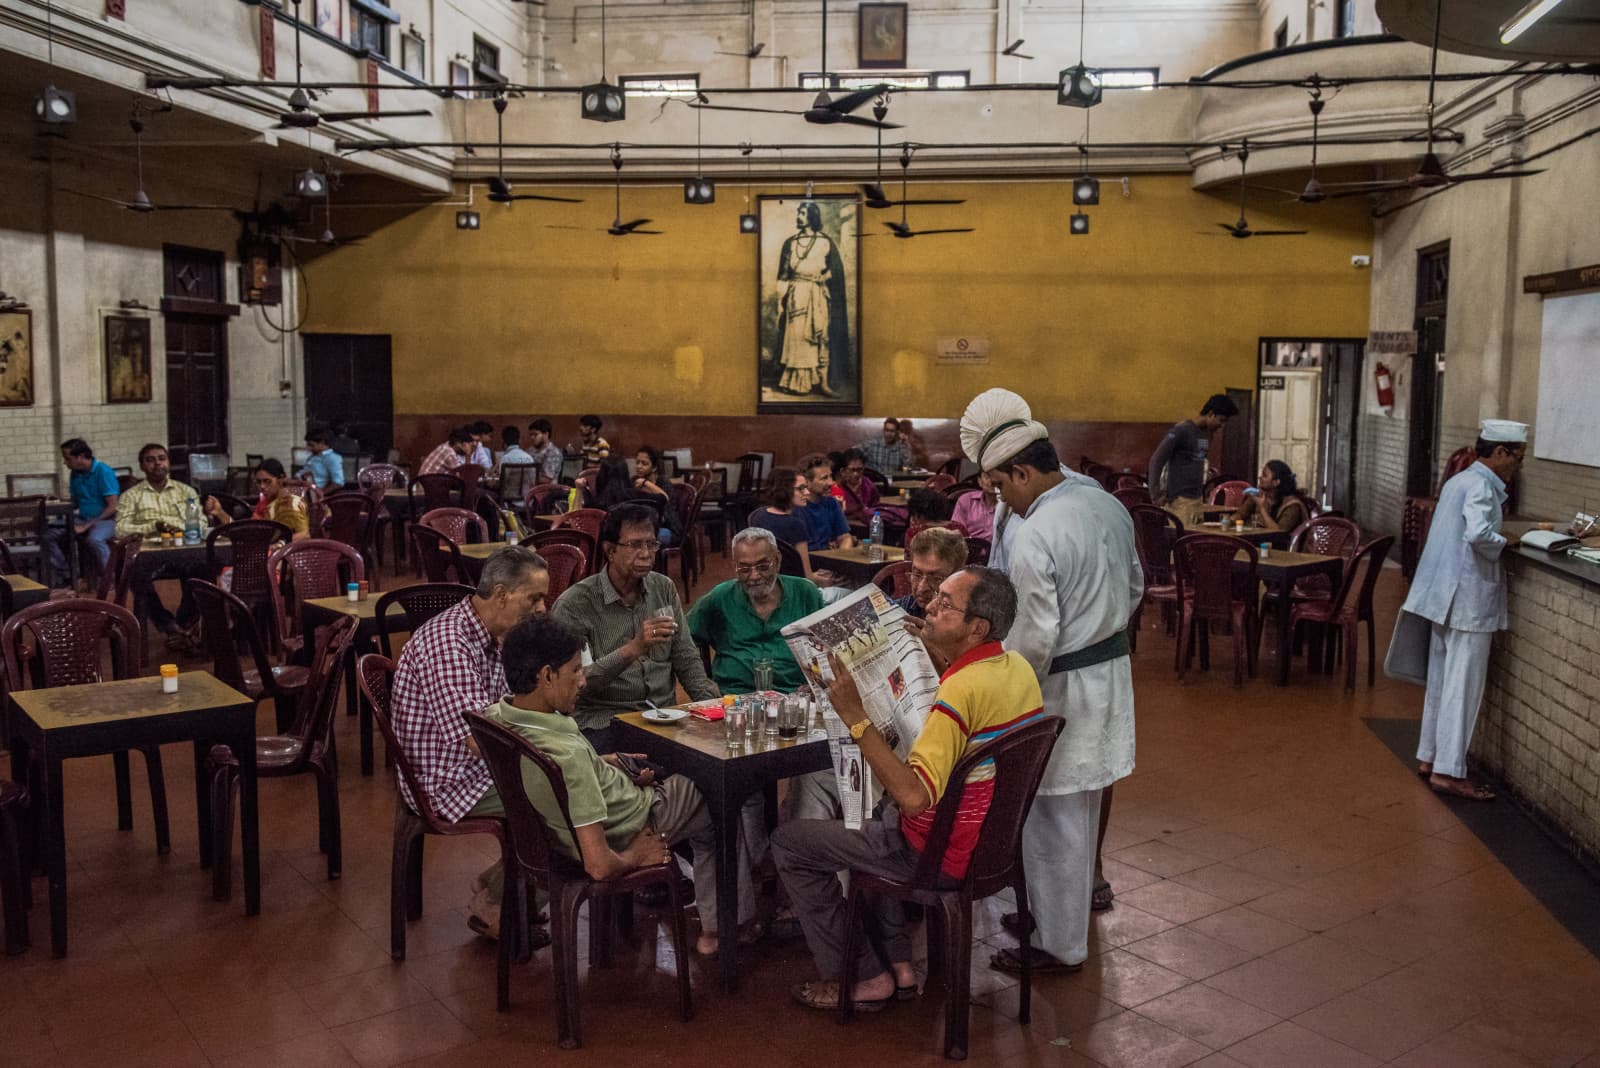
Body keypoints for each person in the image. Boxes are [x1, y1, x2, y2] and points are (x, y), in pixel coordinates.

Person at [772, 566, 1045, 1011]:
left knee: (790, 844)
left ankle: (861, 976)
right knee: (877, 815)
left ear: (977, 627)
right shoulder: (1015, 668)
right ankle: (898, 964)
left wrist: (854, 714)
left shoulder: (961, 690)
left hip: (936, 853)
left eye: (945, 605)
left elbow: (915, 798)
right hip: (991, 845)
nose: (929, 607)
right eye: (934, 597)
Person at [961, 388, 1141, 976]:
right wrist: (1100, 628)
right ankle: (1049, 914)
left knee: (1052, 818)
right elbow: (1136, 587)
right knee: (1078, 810)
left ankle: (1060, 946)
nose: (999, 501)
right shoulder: (1106, 504)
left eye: (1000, 487)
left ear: (1022, 470)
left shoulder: (1039, 530)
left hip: (1060, 685)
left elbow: (1035, 637)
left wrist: (1000, 691)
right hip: (1108, 675)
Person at [485, 614, 754, 956]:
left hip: (603, 805)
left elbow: (479, 742)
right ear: (547, 676)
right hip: (636, 823)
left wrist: (602, 764)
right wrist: (635, 857)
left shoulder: (500, 716)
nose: (583, 681)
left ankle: (723, 915)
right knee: (718, 788)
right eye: (575, 671)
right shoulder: (568, 758)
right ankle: (727, 926)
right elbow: (600, 865)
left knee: (679, 778)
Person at [390, 547, 551, 937]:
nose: (543, 609)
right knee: (565, 798)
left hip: (475, 767)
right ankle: (499, 902)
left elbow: (509, 711)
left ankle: (506, 888)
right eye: (535, 598)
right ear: (500, 595)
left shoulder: (494, 636)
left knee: (569, 778)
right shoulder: (449, 643)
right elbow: (482, 741)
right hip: (450, 780)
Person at [1386, 419, 1528, 802]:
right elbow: (1480, 535)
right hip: (1467, 602)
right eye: (1518, 457)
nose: (1519, 465)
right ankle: (1450, 772)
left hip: (1443, 599)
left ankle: (1430, 757)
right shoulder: (1481, 486)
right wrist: (1508, 541)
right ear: (1499, 452)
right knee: (1462, 688)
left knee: (1442, 683)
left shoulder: (1458, 481)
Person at [552, 503, 718, 753]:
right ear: (610, 550)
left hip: (664, 718)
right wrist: (633, 649)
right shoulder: (576, 604)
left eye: (651, 544)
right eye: (635, 545)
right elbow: (576, 684)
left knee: (727, 764)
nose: (646, 553)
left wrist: (712, 706)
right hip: (606, 721)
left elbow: (685, 656)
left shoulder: (662, 588)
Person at [689, 527, 824, 695]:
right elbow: (683, 638)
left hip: (793, 696)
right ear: (735, 567)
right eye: (744, 569)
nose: (754, 576)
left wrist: (817, 685)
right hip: (734, 698)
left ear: (777, 560)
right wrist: (702, 684)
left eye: (763, 566)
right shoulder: (720, 597)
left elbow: (828, 648)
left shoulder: (805, 592)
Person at [115, 443, 206, 646]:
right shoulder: (131, 496)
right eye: (150, 460)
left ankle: (185, 621)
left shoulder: (186, 491)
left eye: (161, 458)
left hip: (183, 551)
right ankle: (168, 626)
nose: (157, 463)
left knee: (202, 571)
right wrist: (153, 526)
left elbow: (201, 523)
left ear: (168, 462)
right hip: (149, 556)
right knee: (134, 575)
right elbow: (121, 528)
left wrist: (176, 526)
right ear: (142, 466)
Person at [774, 202, 848, 398]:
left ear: (812, 217)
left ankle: (823, 383)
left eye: (803, 213)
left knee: (819, 338)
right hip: (796, 295)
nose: (799, 216)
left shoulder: (825, 242)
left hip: (817, 296)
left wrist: (822, 278)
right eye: (799, 212)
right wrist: (779, 302)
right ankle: (797, 384)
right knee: (798, 339)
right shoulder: (790, 243)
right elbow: (783, 275)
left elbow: (836, 271)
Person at [748, 466, 837, 587]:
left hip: (766, 584)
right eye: (801, 489)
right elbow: (807, 577)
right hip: (795, 591)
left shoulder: (757, 515)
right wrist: (832, 581)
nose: (807, 492)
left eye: (806, 487)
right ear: (784, 490)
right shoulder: (795, 525)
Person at [1148, 393, 1238, 505]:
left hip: (1197, 498)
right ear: (1210, 414)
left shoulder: (1208, 434)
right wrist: (1155, 494)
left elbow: (1199, 461)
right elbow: (1157, 460)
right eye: (1221, 420)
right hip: (1178, 500)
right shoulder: (1181, 430)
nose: (1222, 425)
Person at [205, 459, 310, 541]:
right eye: (258, 482)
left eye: (267, 481)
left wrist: (278, 546)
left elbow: (304, 534)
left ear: (281, 479)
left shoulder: (291, 503)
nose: (262, 486)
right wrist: (219, 512)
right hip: (262, 554)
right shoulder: (264, 504)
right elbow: (246, 533)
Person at [798, 453, 857, 550]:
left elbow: (845, 537)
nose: (831, 482)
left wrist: (840, 558)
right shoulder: (796, 505)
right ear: (806, 482)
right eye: (824, 478)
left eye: (830, 476)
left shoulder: (831, 502)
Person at [1236, 460, 1308, 532]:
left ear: (1276, 482)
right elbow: (1240, 516)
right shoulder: (1259, 495)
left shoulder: (1292, 505)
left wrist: (1262, 508)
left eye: (1264, 475)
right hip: (1256, 539)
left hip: (1279, 542)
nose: (1260, 478)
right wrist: (1227, 522)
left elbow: (1279, 532)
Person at [632, 445, 682, 546]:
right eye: (637, 462)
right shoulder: (635, 482)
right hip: (645, 527)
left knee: (640, 538)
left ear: (654, 467)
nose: (639, 466)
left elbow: (667, 507)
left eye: (644, 463)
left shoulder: (663, 483)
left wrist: (646, 483)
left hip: (669, 530)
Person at [833, 448, 881, 525]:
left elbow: (876, 511)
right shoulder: (836, 488)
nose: (856, 474)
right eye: (852, 470)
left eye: (859, 469)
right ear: (843, 471)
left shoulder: (870, 486)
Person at [951, 472, 998, 539]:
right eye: (987, 477)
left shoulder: (1008, 504)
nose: (992, 481)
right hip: (968, 546)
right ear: (980, 481)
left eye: (995, 477)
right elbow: (957, 532)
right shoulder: (966, 500)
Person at [525, 419, 565, 484]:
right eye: (531, 435)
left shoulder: (553, 452)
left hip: (546, 491)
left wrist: (524, 477)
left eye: (535, 435)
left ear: (546, 434)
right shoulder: (530, 450)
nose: (532, 438)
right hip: (530, 488)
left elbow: (547, 479)